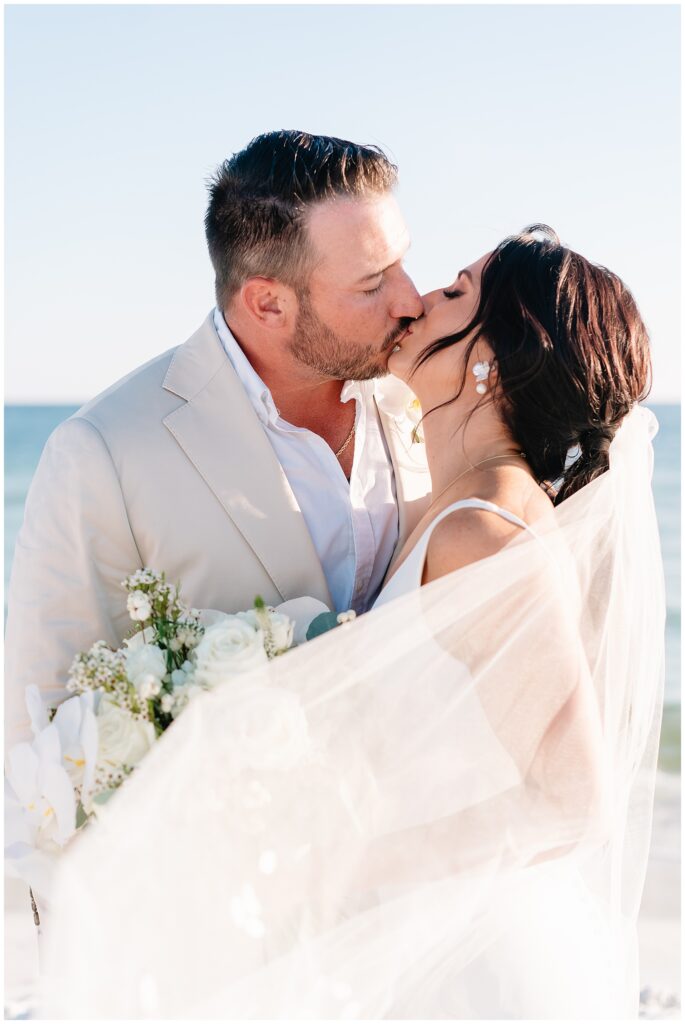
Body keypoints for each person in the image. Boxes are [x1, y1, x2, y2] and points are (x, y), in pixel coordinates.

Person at [42, 226, 665, 1019]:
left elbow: (576, 801)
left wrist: (345, 861)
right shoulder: (446, 508)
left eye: (456, 294)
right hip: (417, 933)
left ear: (490, 360)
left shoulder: (486, 529)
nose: (420, 299)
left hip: (467, 962)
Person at [5, 130, 430, 746]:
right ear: (267, 306)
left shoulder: (430, 391)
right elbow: (44, 721)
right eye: (371, 284)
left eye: (402, 263)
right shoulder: (104, 452)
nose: (411, 300)